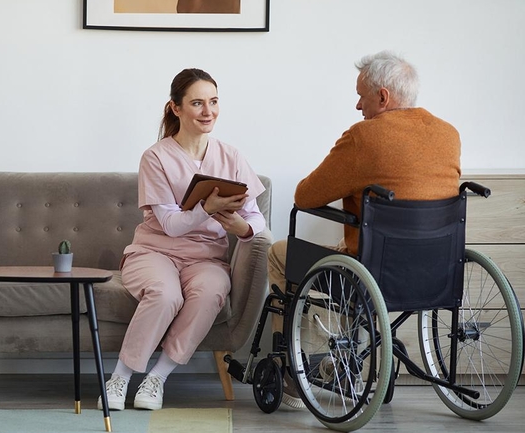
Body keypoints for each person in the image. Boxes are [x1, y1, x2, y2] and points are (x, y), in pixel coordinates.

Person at [268, 50, 461, 408]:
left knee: (280, 253)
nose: (358, 106)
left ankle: (297, 371)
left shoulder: (365, 137)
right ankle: (336, 356)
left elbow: (306, 195)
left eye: (362, 96)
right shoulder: (449, 135)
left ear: (383, 97)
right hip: (438, 274)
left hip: (371, 274)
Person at [98, 68, 266, 411]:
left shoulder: (231, 156)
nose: (209, 111)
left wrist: (241, 229)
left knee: (211, 293)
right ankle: (119, 378)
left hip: (206, 258)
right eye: (198, 103)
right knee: (164, 294)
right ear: (176, 108)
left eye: (214, 102)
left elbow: (256, 217)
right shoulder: (156, 157)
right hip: (155, 251)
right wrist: (209, 207)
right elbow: (172, 225)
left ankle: (157, 377)